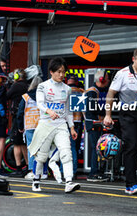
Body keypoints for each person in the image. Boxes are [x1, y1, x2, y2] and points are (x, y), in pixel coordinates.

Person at [103, 47, 137, 195]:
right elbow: (111, 93)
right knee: (130, 147)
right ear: (133, 59)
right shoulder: (122, 74)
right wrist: (108, 115)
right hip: (127, 115)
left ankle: (131, 181)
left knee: (136, 149)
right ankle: (130, 183)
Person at [28, 57, 80, 193]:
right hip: (45, 124)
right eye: (58, 72)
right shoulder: (42, 86)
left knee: (66, 153)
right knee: (41, 156)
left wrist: (72, 127)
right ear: (51, 71)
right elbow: (39, 103)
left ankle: (68, 181)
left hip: (61, 125)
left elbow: (68, 110)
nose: (61, 75)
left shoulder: (67, 89)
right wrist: (48, 111)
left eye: (63, 72)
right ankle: (36, 180)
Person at [85, 69, 110, 182]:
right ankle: (94, 173)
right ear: (102, 80)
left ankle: (98, 171)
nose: (109, 81)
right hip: (93, 123)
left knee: (100, 148)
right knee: (97, 148)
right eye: (107, 79)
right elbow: (92, 108)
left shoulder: (99, 91)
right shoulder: (92, 91)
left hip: (97, 123)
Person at [16, 76, 43, 179]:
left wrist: (20, 126)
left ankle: (32, 171)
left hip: (30, 125)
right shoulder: (44, 96)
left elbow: (20, 112)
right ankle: (42, 171)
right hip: (41, 125)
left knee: (32, 149)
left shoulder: (25, 97)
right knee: (41, 149)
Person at [7, 68, 29, 177]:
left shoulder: (16, 86)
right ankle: (29, 168)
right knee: (24, 143)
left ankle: (18, 168)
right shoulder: (28, 85)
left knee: (16, 143)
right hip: (27, 117)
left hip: (17, 117)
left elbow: (6, 96)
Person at [66, 74, 84, 179]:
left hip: (68, 122)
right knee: (75, 148)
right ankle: (74, 171)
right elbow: (84, 110)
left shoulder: (64, 90)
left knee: (68, 147)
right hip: (78, 122)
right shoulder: (81, 91)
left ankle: (67, 171)